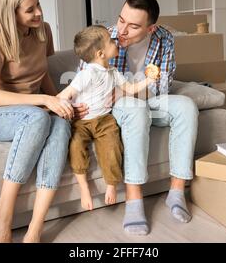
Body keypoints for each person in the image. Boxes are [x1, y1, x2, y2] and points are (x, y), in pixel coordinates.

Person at [0, 0, 88, 243]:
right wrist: (44, 100)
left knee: (60, 124)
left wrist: (59, 103)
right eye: (30, 9)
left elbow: (41, 72)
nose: (39, 13)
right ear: (12, 13)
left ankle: (35, 228)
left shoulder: (42, 30)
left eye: (39, 4)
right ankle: (2, 214)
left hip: (31, 109)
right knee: (37, 116)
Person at [80, 0, 199, 236]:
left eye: (133, 26)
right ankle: (134, 201)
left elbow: (162, 86)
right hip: (114, 106)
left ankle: (176, 192)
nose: (122, 30)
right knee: (137, 111)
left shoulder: (164, 39)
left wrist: (129, 94)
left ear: (151, 28)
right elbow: (84, 77)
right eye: (121, 19)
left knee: (186, 106)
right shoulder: (105, 37)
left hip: (143, 96)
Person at [58, 25, 159, 211]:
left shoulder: (113, 72)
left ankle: (111, 185)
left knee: (113, 146)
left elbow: (130, 89)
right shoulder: (87, 73)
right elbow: (65, 94)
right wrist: (65, 108)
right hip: (82, 122)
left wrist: (149, 80)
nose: (115, 41)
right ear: (100, 53)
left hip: (104, 120)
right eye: (111, 41)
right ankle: (84, 188)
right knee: (76, 145)